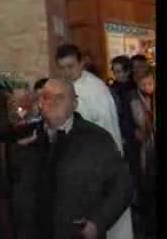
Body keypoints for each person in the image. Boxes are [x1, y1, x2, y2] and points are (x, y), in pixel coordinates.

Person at [10, 79, 132, 239]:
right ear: (39, 102)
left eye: (59, 97)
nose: (51, 102)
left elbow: (122, 186)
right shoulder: (27, 140)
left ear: (74, 103)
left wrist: (96, 223)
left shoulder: (96, 139)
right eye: (46, 97)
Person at [56, 44, 132, 239]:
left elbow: (101, 127)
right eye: (62, 67)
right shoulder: (71, 87)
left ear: (82, 63)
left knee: (106, 219)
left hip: (102, 161)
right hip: (89, 160)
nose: (66, 72)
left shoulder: (94, 89)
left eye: (71, 66)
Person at [129, 68, 155, 236]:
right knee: (147, 185)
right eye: (144, 84)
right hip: (144, 149)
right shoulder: (133, 99)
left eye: (151, 83)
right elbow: (131, 122)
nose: (148, 87)